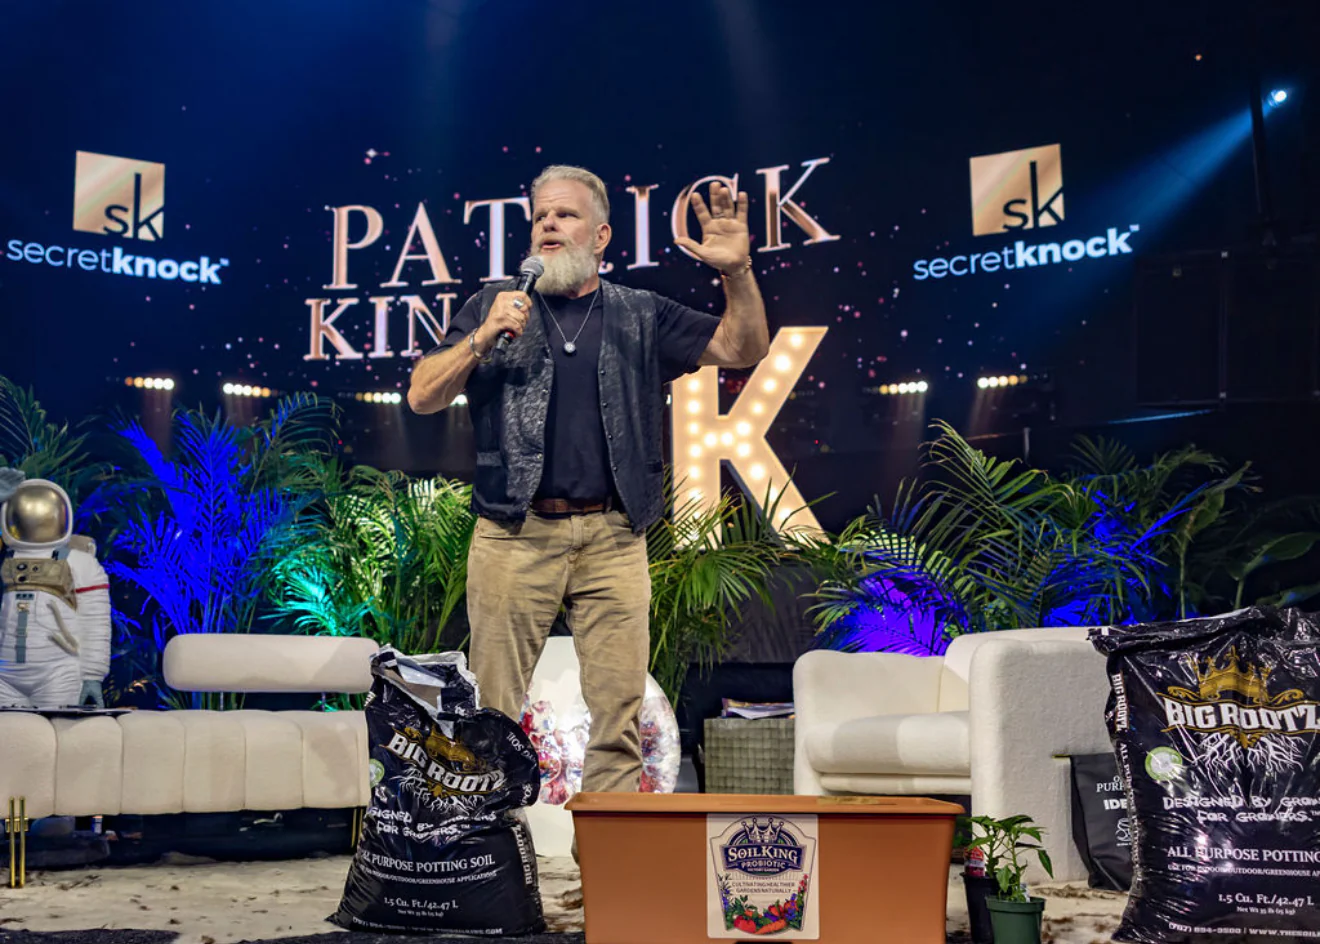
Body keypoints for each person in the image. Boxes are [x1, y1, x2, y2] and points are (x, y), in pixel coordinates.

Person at [407, 164, 768, 809]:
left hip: (612, 537)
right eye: (540, 215)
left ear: (600, 236)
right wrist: (484, 337)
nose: (548, 224)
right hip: (514, 534)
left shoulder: (638, 312)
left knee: (618, 719)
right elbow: (424, 395)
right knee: (493, 719)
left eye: (565, 215)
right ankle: (495, 878)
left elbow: (744, 348)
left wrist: (736, 273)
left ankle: (604, 879)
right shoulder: (492, 304)